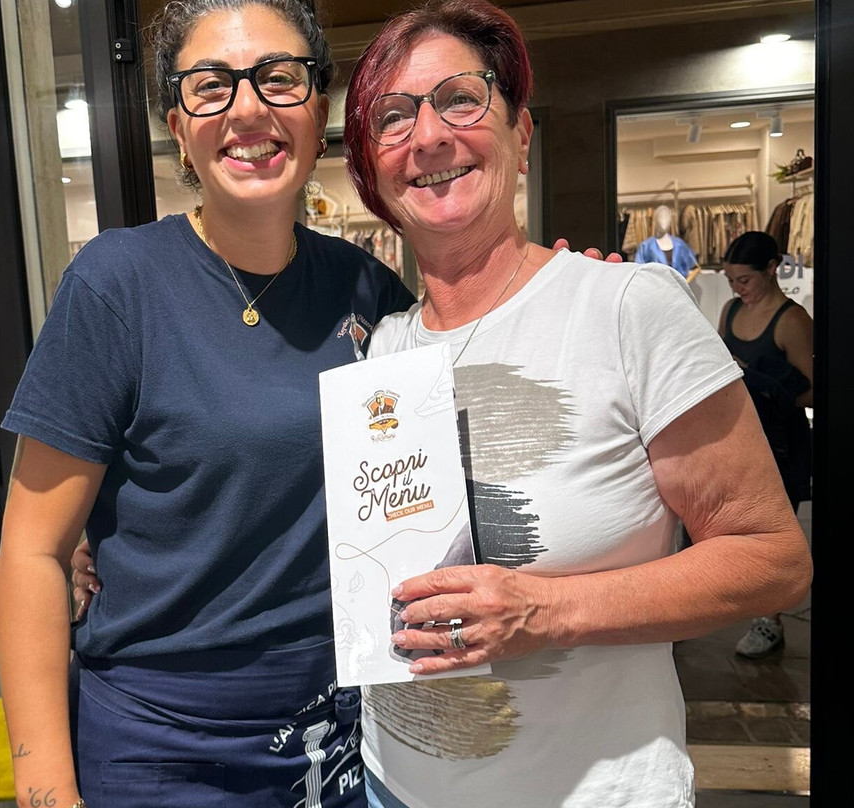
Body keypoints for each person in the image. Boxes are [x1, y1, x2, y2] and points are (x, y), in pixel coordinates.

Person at [337, 1, 811, 805]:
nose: (429, 136)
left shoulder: (627, 307)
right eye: (393, 116)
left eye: (460, 98)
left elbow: (774, 559)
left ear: (521, 135)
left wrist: (545, 610)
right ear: (370, 170)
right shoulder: (380, 349)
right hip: (392, 785)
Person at [0, 2, 417, 806]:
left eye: (278, 78)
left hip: (338, 732)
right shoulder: (117, 284)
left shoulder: (369, 289)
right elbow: (33, 554)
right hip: (158, 744)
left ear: (319, 108)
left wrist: (568, 291)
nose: (248, 109)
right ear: (177, 128)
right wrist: (44, 786)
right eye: (211, 86)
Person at [719, 231, 813, 659]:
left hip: (780, 441)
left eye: (744, 280)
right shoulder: (732, 310)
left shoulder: (792, 321)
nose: (737, 289)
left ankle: (769, 620)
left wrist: (759, 379)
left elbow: (813, 391)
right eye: (731, 280)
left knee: (771, 533)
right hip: (738, 432)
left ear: (772, 269)